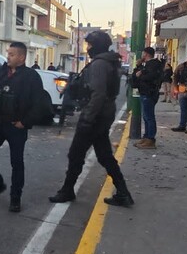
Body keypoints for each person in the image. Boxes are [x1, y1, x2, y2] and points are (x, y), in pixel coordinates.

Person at [49, 31, 133, 207]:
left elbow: (98, 94)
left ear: (97, 45)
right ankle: (123, 192)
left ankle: (67, 191)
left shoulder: (100, 64)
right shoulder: (109, 61)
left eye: (90, 45)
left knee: (76, 154)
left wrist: (87, 118)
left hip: (96, 114)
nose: (88, 48)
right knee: (104, 155)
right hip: (103, 113)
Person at [0, 42, 44, 213]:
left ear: (22, 57)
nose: (8, 56)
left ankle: (15, 198)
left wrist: (24, 122)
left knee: (16, 162)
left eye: (12, 54)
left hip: (16, 126)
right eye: (8, 53)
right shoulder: (1, 72)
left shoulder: (31, 76)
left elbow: (38, 104)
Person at [131, 47, 163, 149]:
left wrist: (140, 75)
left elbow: (149, 78)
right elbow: (134, 78)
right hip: (145, 93)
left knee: (149, 117)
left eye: (143, 54)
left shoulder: (153, 65)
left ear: (146, 54)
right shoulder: (146, 65)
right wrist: (138, 67)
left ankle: (150, 139)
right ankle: (146, 137)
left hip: (149, 93)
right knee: (146, 116)